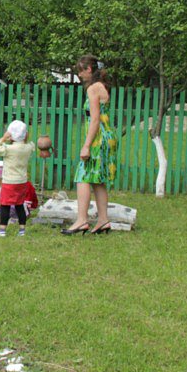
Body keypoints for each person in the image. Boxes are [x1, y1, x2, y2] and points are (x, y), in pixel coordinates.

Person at [63, 55, 118, 236]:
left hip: (98, 138)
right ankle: (103, 220)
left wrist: (86, 145)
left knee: (82, 176)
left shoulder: (93, 88)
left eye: (80, 70)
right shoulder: (102, 86)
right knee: (98, 180)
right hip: (107, 135)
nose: (79, 75)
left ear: (88, 69)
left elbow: (94, 120)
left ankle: (82, 220)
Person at [0, 120, 36, 238]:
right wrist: (24, 137)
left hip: (9, 182)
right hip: (22, 182)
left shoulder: (8, 149)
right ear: (25, 135)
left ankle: (2, 231)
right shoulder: (29, 147)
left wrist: (3, 138)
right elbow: (31, 144)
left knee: (5, 206)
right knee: (20, 205)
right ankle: (22, 230)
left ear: (11, 135)